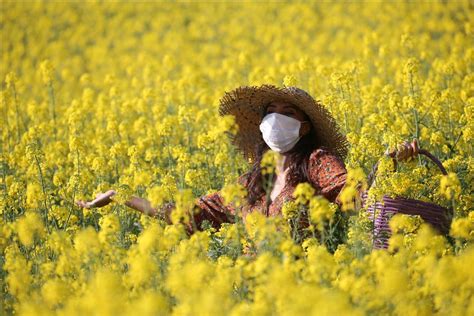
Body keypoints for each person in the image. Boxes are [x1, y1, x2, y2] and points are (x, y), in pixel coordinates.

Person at [76, 84, 415, 236]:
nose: (276, 119)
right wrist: (121, 197)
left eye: (288, 112)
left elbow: (352, 193)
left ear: (305, 125)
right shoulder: (252, 182)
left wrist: (389, 163)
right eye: (271, 112)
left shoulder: (316, 160)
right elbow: (191, 214)